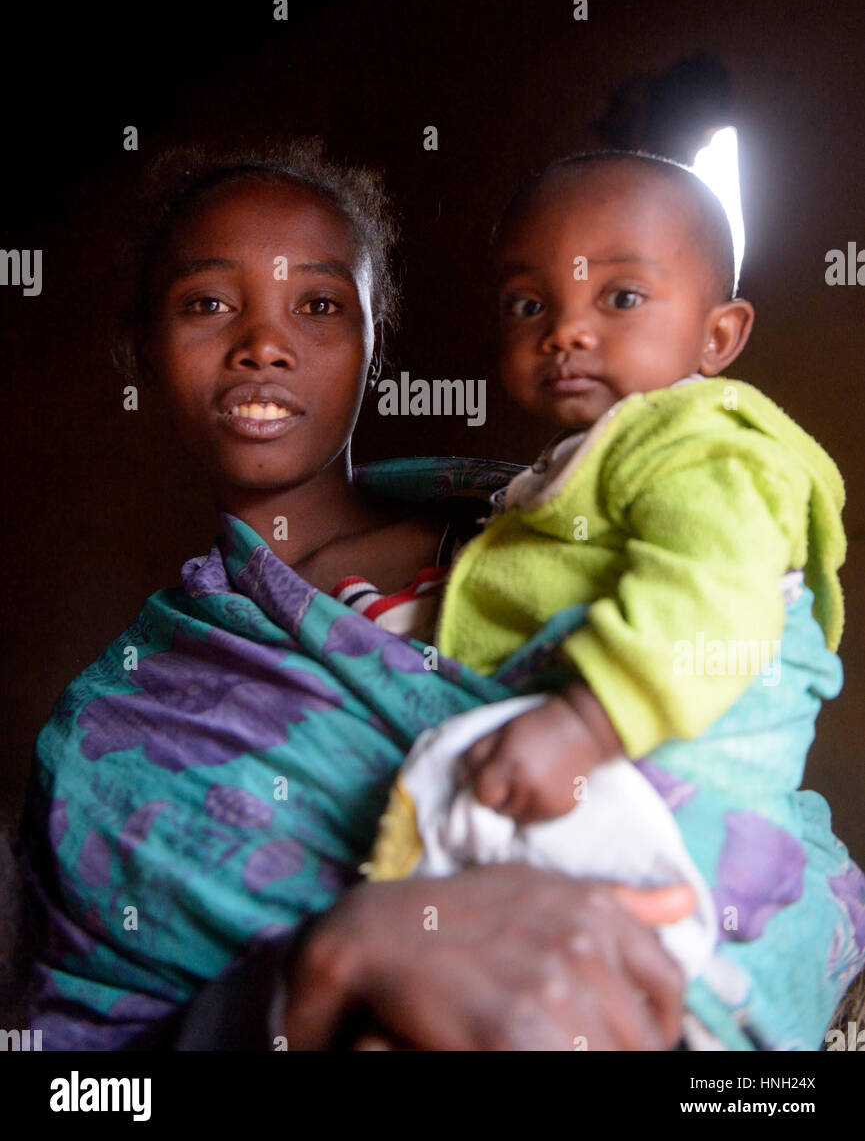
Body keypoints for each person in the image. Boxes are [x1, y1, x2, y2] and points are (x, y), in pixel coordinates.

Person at [16, 139, 693, 1051]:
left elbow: (739, 656)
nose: (262, 345)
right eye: (209, 303)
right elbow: (85, 1078)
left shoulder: (541, 519)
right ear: (147, 345)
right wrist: (309, 974)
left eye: (321, 305)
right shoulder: (112, 734)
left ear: (375, 345)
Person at [364, 151, 865, 1050]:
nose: (565, 331)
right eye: (529, 304)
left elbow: (709, 592)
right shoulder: (567, 468)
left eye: (620, 298)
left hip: (679, 741)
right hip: (615, 740)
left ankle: (702, 1019)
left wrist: (586, 724)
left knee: (637, 927)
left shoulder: (702, 441)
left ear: (717, 337)